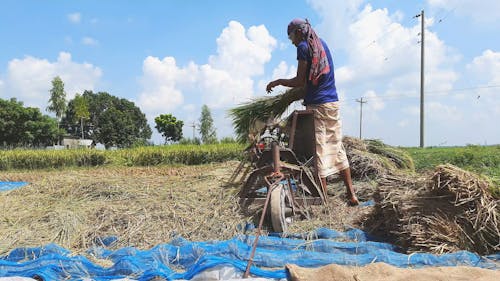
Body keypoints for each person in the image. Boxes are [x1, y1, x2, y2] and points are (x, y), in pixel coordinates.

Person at [266, 18, 359, 206]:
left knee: (319, 151)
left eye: (291, 36)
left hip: (318, 106)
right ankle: (351, 195)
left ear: (299, 32)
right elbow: (313, 78)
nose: (292, 41)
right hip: (332, 103)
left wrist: (278, 82)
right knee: (337, 147)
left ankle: (323, 200)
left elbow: (300, 81)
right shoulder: (320, 43)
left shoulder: (303, 46)